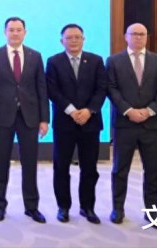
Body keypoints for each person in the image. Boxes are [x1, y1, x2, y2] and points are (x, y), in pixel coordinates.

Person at [0, 17, 49, 224]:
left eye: (18, 30)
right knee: (1, 162)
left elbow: (42, 89)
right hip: (2, 116)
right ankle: (0, 205)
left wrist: (44, 119)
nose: (15, 33)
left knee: (29, 163)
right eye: (11, 30)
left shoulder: (35, 56)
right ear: (5, 32)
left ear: (25, 32)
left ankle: (31, 207)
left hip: (29, 117)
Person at [107, 23, 157, 225]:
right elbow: (111, 89)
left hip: (151, 124)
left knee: (152, 171)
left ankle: (152, 212)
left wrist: (149, 110)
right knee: (120, 169)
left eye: (142, 34)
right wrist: (129, 111)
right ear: (126, 36)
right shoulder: (114, 61)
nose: (138, 37)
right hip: (124, 124)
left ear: (147, 37)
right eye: (133, 34)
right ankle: (118, 209)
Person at [45, 24, 107, 224]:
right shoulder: (53, 61)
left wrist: (89, 110)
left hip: (90, 122)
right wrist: (72, 110)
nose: (73, 41)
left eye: (77, 37)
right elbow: (52, 90)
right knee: (61, 167)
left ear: (83, 39)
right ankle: (63, 207)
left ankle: (87, 207)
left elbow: (101, 89)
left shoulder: (96, 60)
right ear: (61, 41)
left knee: (89, 168)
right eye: (69, 37)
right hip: (65, 122)